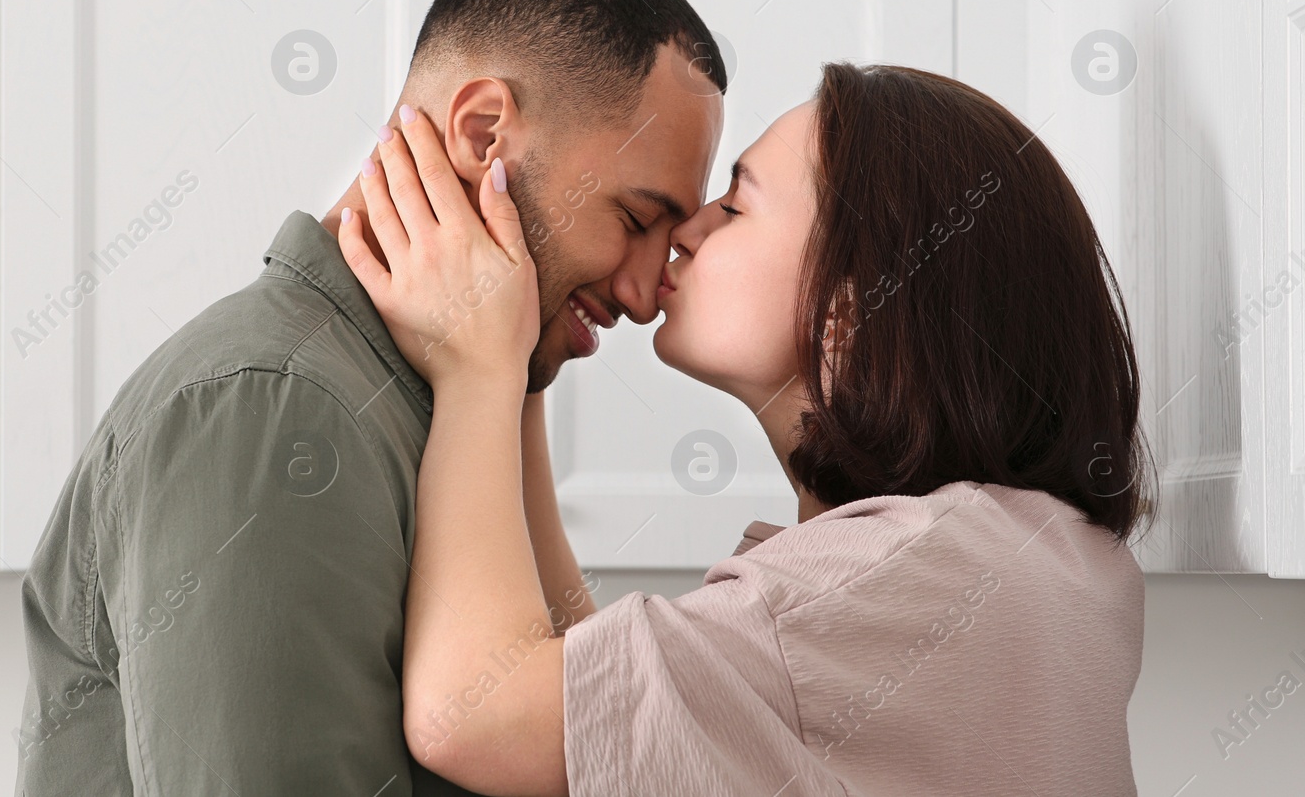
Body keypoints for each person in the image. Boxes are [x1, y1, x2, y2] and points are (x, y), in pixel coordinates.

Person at [14, 0, 728, 795]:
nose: (652, 289)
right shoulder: (276, 408)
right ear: (484, 132)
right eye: (636, 215)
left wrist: (503, 377)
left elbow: (574, 734)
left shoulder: (442, 402)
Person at [339, 61, 1152, 796]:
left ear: (851, 301)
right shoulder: (1034, 556)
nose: (685, 234)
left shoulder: (890, 577)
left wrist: (474, 370)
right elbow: (604, 717)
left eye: (734, 205)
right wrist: (518, 360)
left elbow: (477, 714)